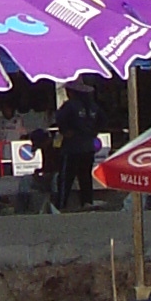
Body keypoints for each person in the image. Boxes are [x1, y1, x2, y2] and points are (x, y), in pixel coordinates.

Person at [52, 80, 101, 211]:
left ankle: (61, 205)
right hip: (88, 147)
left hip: (72, 148)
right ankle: (87, 202)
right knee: (85, 177)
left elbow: (59, 118)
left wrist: (65, 130)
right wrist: (92, 132)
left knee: (65, 179)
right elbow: (103, 120)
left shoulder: (69, 106)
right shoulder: (93, 107)